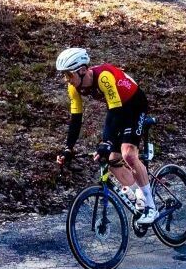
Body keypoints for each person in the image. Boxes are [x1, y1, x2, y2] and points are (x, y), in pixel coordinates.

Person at [53, 48, 158, 226]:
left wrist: (106, 141)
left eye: (68, 74)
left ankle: (151, 207)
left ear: (82, 70)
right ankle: (138, 192)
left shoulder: (104, 77)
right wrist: (68, 148)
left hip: (135, 105)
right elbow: (76, 119)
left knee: (128, 154)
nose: (66, 79)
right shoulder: (73, 88)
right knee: (110, 159)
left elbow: (114, 112)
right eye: (64, 75)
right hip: (119, 111)